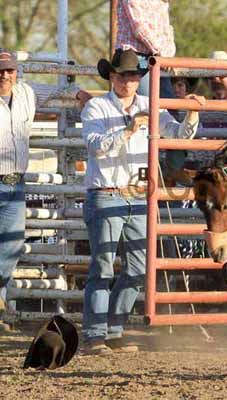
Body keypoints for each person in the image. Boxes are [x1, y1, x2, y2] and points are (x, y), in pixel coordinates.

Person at [80, 49, 205, 355]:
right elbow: (97, 148)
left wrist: (192, 113)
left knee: (138, 268)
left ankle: (114, 329)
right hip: (107, 192)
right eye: (123, 75)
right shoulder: (96, 107)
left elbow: (178, 135)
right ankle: (95, 334)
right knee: (103, 267)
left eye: (134, 75)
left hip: (137, 194)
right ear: (112, 77)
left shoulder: (151, 107)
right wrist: (129, 129)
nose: (129, 81)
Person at [0, 51, 89, 331]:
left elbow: (59, 90)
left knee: (12, 245)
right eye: (1, 70)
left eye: (9, 70)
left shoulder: (27, 92)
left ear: (17, 72)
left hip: (15, 181)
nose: (5, 75)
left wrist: (80, 94)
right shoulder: (25, 91)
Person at [116, 0, 176, 97]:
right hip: (135, 57)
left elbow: (167, 30)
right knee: (148, 99)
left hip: (157, 57)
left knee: (167, 100)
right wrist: (162, 53)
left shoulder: (162, 2)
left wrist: (168, 55)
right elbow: (140, 29)